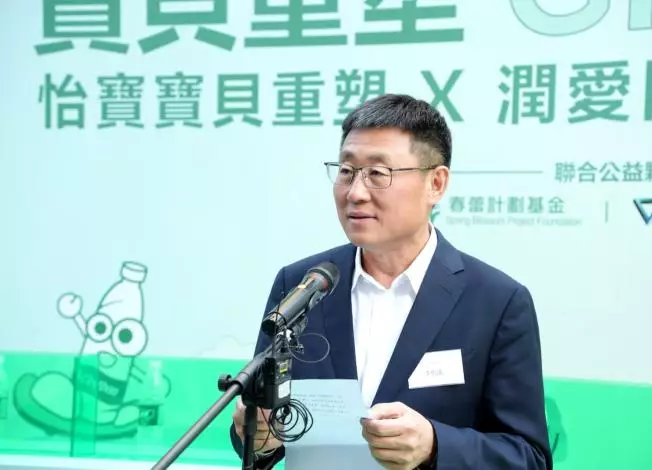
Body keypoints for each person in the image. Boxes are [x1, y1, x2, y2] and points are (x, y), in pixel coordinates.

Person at [230, 94, 552, 470]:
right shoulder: (303, 285)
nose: (355, 192)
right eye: (346, 171)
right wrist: (258, 436)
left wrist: (435, 445)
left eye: (378, 174)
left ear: (436, 183)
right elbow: (264, 439)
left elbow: (528, 457)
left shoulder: (497, 302)